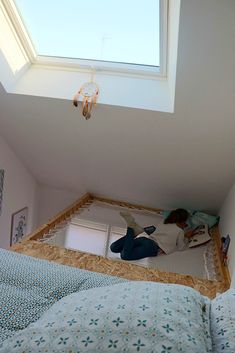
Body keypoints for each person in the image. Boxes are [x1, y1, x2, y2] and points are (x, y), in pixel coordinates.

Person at [110, 209, 195, 261]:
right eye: (185, 223)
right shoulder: (179, 231)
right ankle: (131, 229)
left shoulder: (164, 222)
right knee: (125, 256)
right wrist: (186, 237)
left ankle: (133, 231)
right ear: (182, 221)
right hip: (152, 248)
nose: (186, 225)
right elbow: (181, 247)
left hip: (146, 240)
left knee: (114, 248)